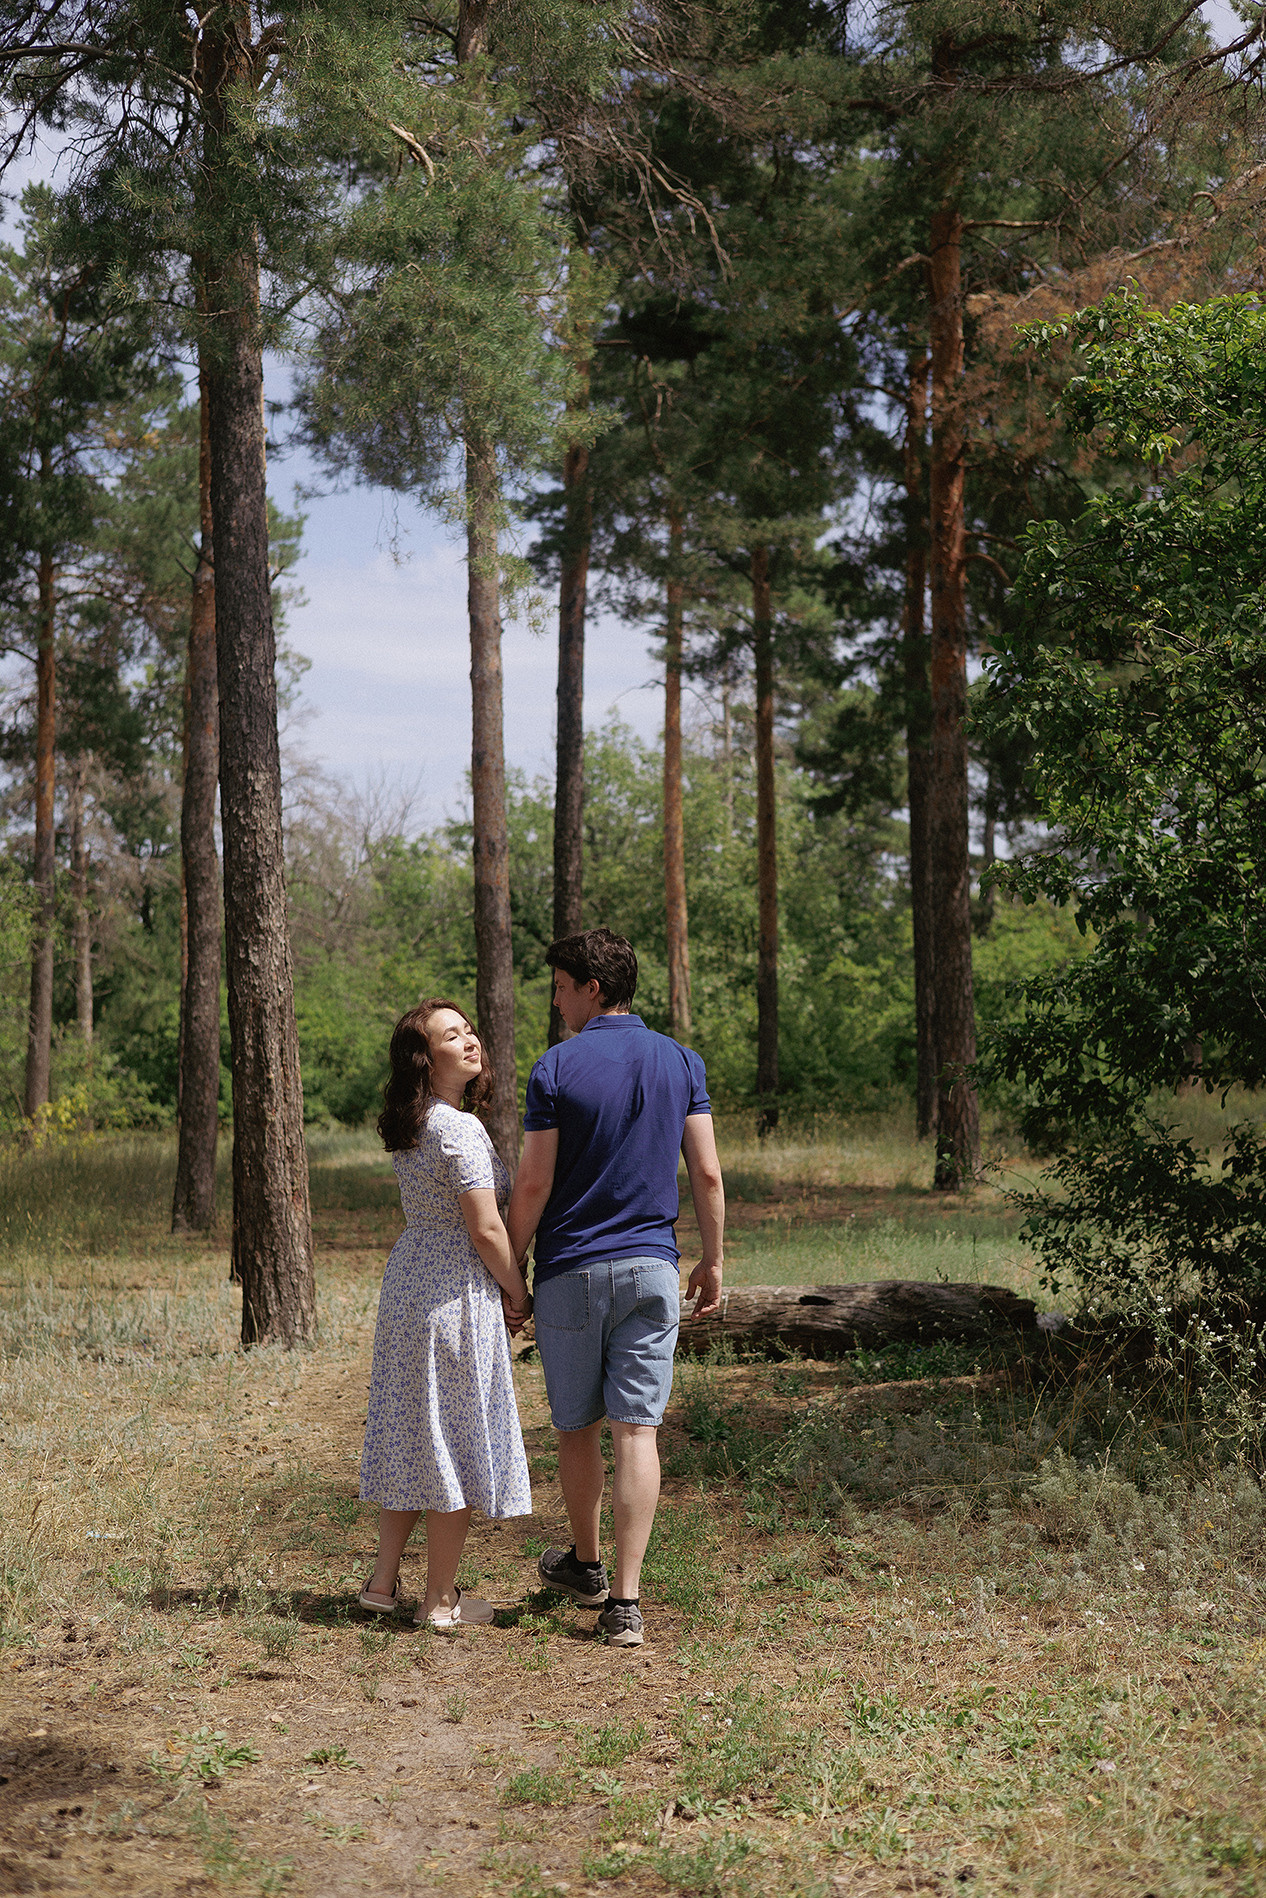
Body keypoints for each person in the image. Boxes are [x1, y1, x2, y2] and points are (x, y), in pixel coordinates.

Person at [507, 928, 725, 1648]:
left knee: (578, 1427)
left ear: (592, 988)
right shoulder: (681, 1061)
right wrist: (713, 1258)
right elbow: (708, 1173)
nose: (558, 1002)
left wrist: (510, 1270)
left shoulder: (556, 1069)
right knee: (639, 1431)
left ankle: (587, 1565)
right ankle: (624, 1606)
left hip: (571, 1272)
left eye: (562, 987)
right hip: (654, 1270)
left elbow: (534, 1181)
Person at [357, 999, 532, 1630]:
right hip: (454, 1288)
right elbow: (485, 1228)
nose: (468, 1041)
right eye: (450, 1036)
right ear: (425, 1059)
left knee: (413, 1431)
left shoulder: (418, 1123)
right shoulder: (457, 1129)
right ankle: (438, 1600)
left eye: (468, 1030)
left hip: (410, 1283)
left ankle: (382, 1582)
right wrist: (518, 1291)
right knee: (453, 1436)